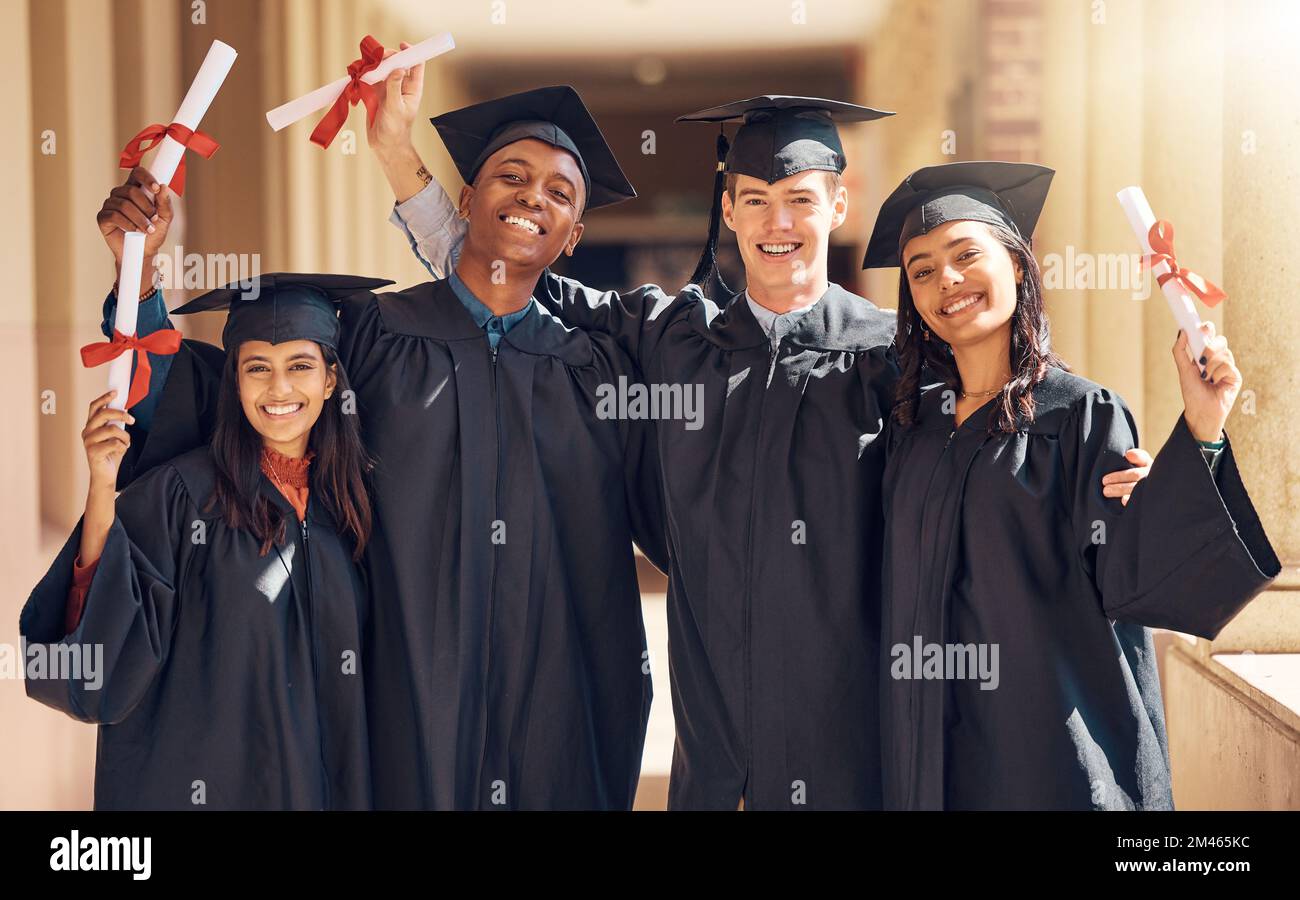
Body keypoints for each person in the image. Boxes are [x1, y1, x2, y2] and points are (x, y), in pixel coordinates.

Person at [373, 89, 1156, 808]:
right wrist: (398, 157)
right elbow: (506, 268)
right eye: (755, 201)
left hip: (862, 757)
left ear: (837, 206)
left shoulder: (899, 363)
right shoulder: (673, 339)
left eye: (798, 201)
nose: (777, 223)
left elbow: (1007, 405)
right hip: (716, 761)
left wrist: (1112, 463)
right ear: (731, 210)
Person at [96, 87, 669, 810]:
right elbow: (225, 399)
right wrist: (137, 274)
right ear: (465, 199)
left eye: (559, 191)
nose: (533, 197)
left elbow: (682, 498)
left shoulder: (599, 372)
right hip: (396, 695)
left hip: (557, 702)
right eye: (512, 176)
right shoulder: (368, 336)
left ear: (575, 236)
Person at [863, 160, 1281, 810]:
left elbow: (1138, 576)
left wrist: (1198, 433)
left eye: (966, 254)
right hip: (925, 752)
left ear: (1019, 265)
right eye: (921, 270)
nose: (946, 279)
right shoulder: (910, 429)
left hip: (1049, 751)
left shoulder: (1080, 415)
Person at [20, 272, 383, 810]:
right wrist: (101, 483)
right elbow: (98, 652)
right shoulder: (184, 495)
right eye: (256, 368)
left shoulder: (353, 503)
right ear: (233, 381)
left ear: (330, 380)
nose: (279, 389)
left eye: (300, 366)